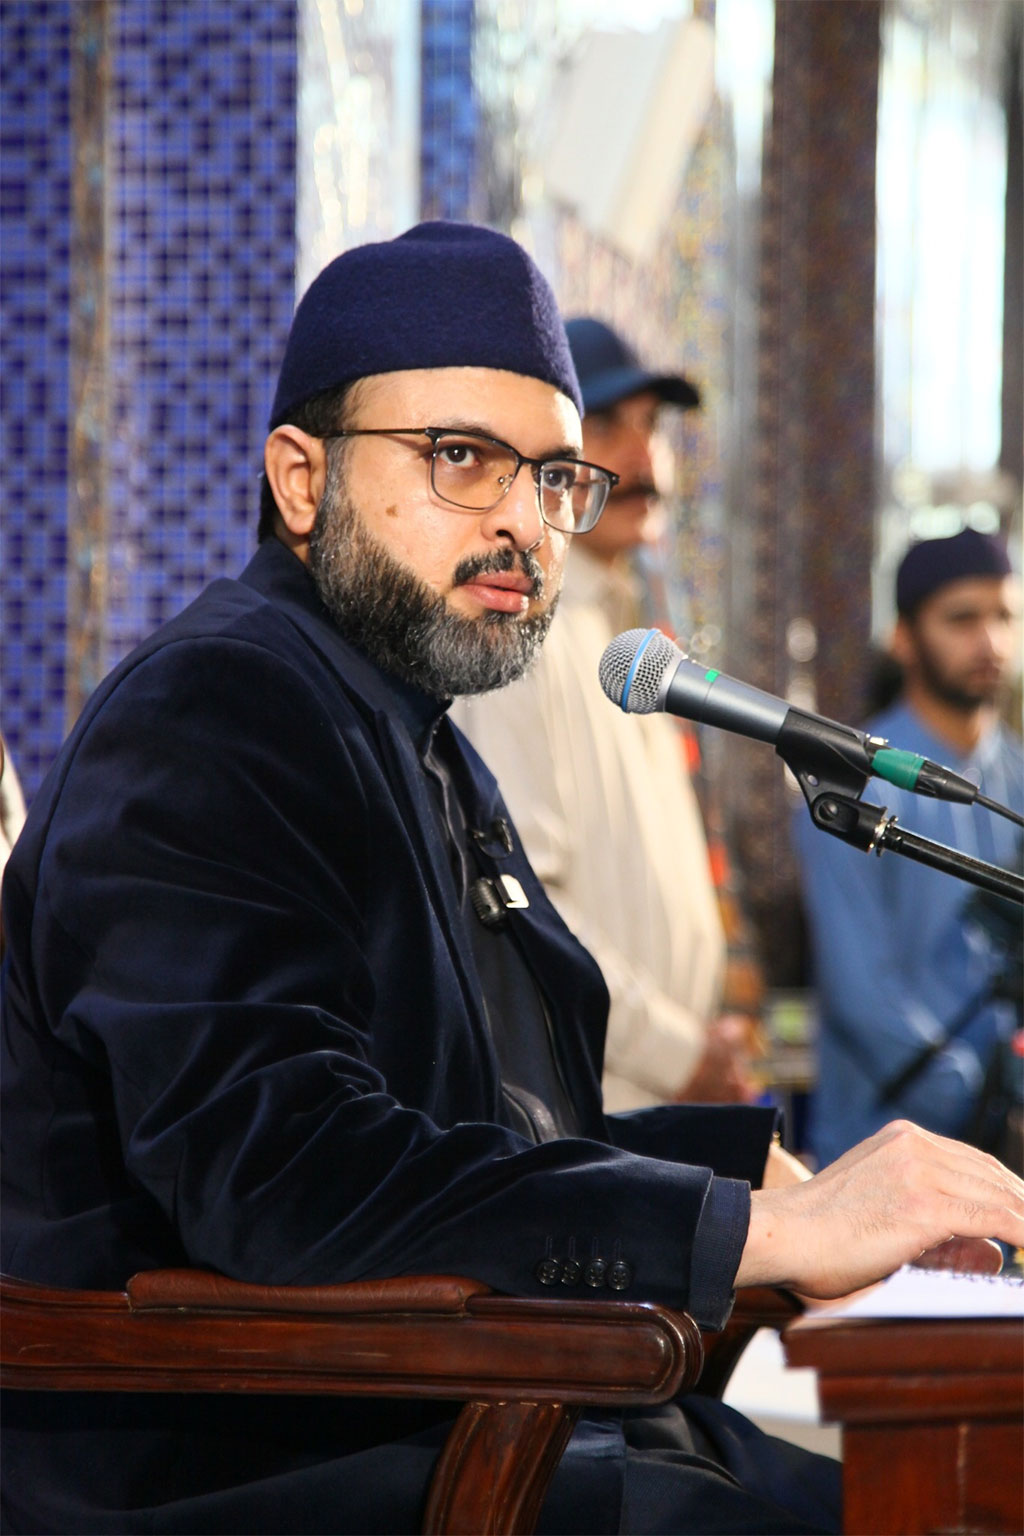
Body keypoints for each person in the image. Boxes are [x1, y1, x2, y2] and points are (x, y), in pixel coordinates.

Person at [2, 224, 1021, 1536]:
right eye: (458, 458)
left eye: (551, 476)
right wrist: (755, 1238)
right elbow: (285, 1172)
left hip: (474, 1411)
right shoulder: (218, 711)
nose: (518, 521)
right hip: (248, 1460)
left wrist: (786, 1183)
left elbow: (494, 1133)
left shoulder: (415, 735)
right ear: (300, 479)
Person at [453, 318, 760, 1111]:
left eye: (651, 427)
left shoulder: (625, 631)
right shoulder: (520, 638)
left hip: (662, 1092)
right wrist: (675, 1051)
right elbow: (525, 896)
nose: (642, 458)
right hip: (596, 1100)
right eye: (610, 426)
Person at [793, 527, 1023, 1168]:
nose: (990, 641)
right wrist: (978, 1092)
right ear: (904, 637)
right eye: (962, 618)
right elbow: (860, 991)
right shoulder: (850, 782)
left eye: (1003, 616)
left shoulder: (1018, 780)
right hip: (883, 1150)